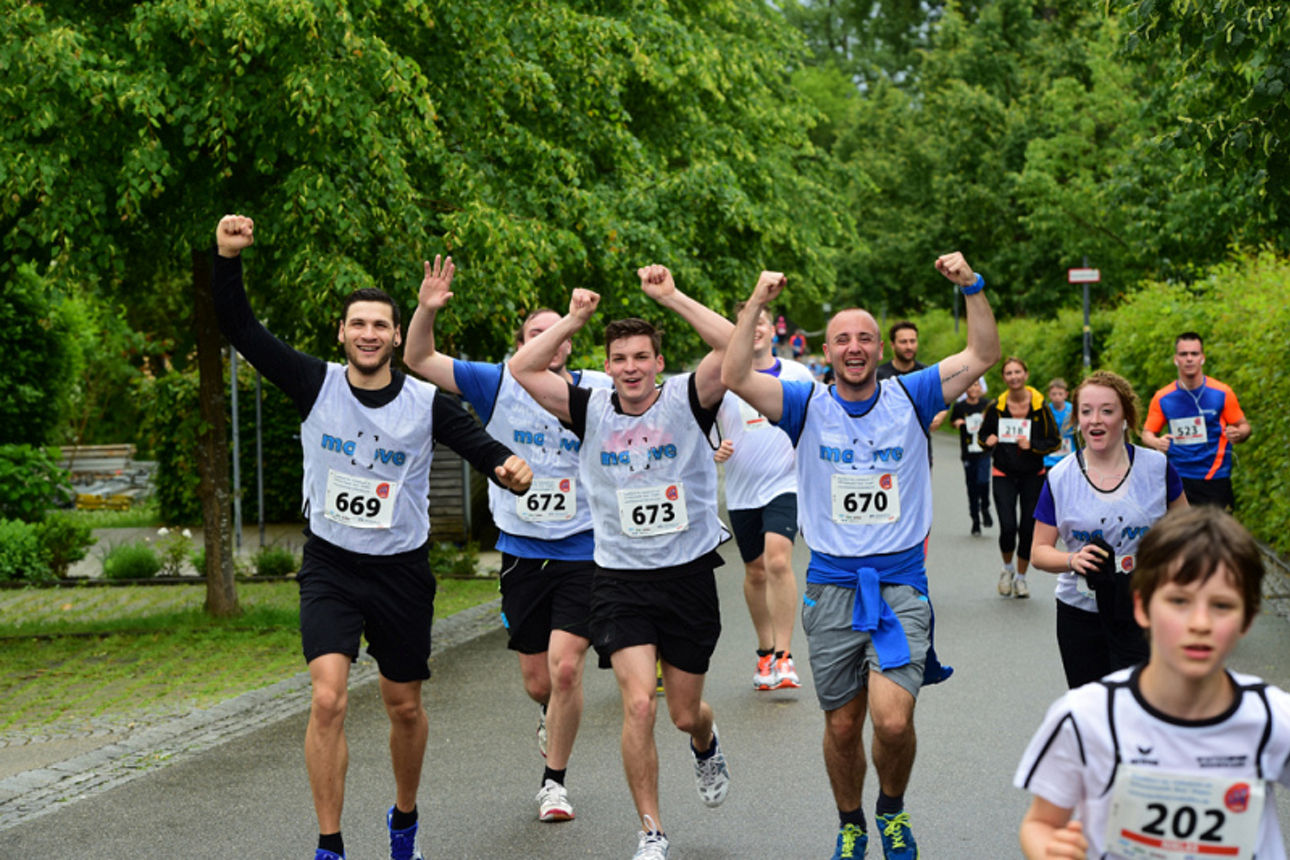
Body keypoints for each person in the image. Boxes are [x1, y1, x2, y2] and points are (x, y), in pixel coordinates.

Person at [212, 215, 533, 860]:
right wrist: (227, 258)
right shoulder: (315, 383)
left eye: (380, 325)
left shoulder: (423, 401)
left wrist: (507, 464)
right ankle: (329, 844)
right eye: (357, 323)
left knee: (403, 706)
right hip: (331, 566)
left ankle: (405, 818)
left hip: (400, 572)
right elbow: (242, 330)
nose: (367, 333)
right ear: (342, 333)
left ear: (392, 338)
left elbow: (476, 442)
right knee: (328, 697)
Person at [722, 253, 1000, 860]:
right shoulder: (804, 403)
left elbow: (983, 355)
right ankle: (850, 822)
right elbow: (735, 374)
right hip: (831, 587)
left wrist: (971, 287)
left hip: (901, 581)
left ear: (879, 349)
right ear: (828, 350)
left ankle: (891, 812)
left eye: (865, 338)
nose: (854, 347)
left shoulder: (913, 394)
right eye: (842, 339)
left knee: (893, 720)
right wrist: (756, 303)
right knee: (844, 725)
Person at [510, 267, 744, 860]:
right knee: (639, 703)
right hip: (618, 580)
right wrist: (573, 320)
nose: (632, 367)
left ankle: (706, 739)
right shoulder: (587, 408)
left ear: (659, 363)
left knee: (683, 712)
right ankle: (651, 831)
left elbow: (734, 345)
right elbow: (522, 369)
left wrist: (670, 297)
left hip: (688, 574)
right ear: (607, 365)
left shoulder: (690, 397)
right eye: (620, 358)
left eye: (642, 356)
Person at [402, 259, 612, 823]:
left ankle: (554, 782)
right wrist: (426, 308)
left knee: (567, 668)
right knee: (538, 678)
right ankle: (550, 710)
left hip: (586, 547)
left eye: (558, 333)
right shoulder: (495, 382)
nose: (549, 341)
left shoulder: (597, 390)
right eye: (536, 335)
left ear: (571, 344)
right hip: (522, 549)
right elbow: (417, 359)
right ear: (520, 345)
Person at [1015, 505, 1290, 860]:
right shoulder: (1085, 717)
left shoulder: (1272, 717)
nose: (1200, 623)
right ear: (1142, 607)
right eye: (1179, 601)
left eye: (1222, 606)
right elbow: (1040, 824)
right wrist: (1049, 849)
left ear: (1247, 618)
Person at [1029, 371, 1188, 688]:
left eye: (1107, 410)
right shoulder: (1060, 477)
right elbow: (1038, 551)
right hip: (1081, 612)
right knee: (1092, 711)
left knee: (1144, 704)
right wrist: (1072, 560)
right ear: (1077, 419)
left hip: (1145, 609)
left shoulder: (1156, 468)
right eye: (1086, 411)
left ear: (1126, 417)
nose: (1095, 420)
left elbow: (1189, 534)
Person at [711, 301, 814, 691]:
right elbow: (702, 428)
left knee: (777, 559)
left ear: (773, 331)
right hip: (741, 489)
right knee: (754, 571)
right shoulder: (723, 377)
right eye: (746, 323)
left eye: (761, 323)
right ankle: (766, 650)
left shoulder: (797, 374)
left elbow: (817, 418)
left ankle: (786, 657)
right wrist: (713, 448)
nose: (754, 329)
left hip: (786, 483)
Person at [1142, 332, 1253, 511]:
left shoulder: (1222, 392)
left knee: (1215, 536)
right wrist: (1157, 442)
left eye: (1194, 354)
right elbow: (1147, 433)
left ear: (1202, 358)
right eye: (1184, 354)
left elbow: (1245, 426)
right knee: (1181, 534)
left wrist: (1239, 434)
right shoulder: (1163, 397)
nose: (1189, 359)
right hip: (1179, 476)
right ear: (1175, 359)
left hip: (1215, 476)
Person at [979, 357, 1060, 599]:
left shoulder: (1040, 407)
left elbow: (1053, 441)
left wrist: (1032, 446)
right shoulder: (996, 407)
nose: (1013, 377)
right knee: (1007, 527)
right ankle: (1007, 570)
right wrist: (988, 441)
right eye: (1008, 373)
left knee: (1027, 529)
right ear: (1004, 378)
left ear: (1025, 375)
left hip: (1033, 475)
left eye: (1018, 372)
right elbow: (983, 436)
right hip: (1003, 473)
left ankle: (1022, 579)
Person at [948, 378, 993, 535]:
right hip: (968, 452)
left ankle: (985, 507)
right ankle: (975, 521)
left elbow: (995, 422)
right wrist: (958, 423)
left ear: (981, 387)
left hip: (983, 450)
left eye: (976, 385)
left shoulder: (987, 405)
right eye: (970, 385)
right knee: (972, 487)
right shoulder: (960, 406)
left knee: (983, 481)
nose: (973, 388)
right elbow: (952, 422)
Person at [1043, 377, 1074, 469]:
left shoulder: (1072, 410)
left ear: (1066, 394)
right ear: (1049, 395)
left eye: (1060, 394)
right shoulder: (1045, 411)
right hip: (1049, 458)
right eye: (1054, 394)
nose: (1057, 397)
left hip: (1069, 456)